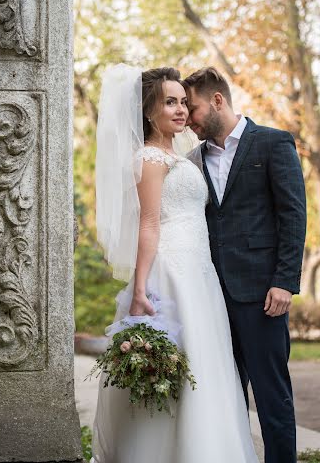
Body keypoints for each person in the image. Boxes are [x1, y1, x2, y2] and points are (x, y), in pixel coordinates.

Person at [91, 64, 259, 463]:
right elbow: (148, 224)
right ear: (150, 111)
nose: (181, 109)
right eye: (170, 102)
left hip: (201, 273)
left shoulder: (182, 155)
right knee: (177, 368)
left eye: (184, 102)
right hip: (172, 274)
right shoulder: (149, 158)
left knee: (207, 363)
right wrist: (140, 289)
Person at [183, 67, 307, 463]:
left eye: (193, 107)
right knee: (225, 399)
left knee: (272, 397)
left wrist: (285, 282)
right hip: (211, 297)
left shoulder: (272, 143)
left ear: (217, 100)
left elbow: (293, 215)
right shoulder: (192, 160)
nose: (188, 116)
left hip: (261, 295)